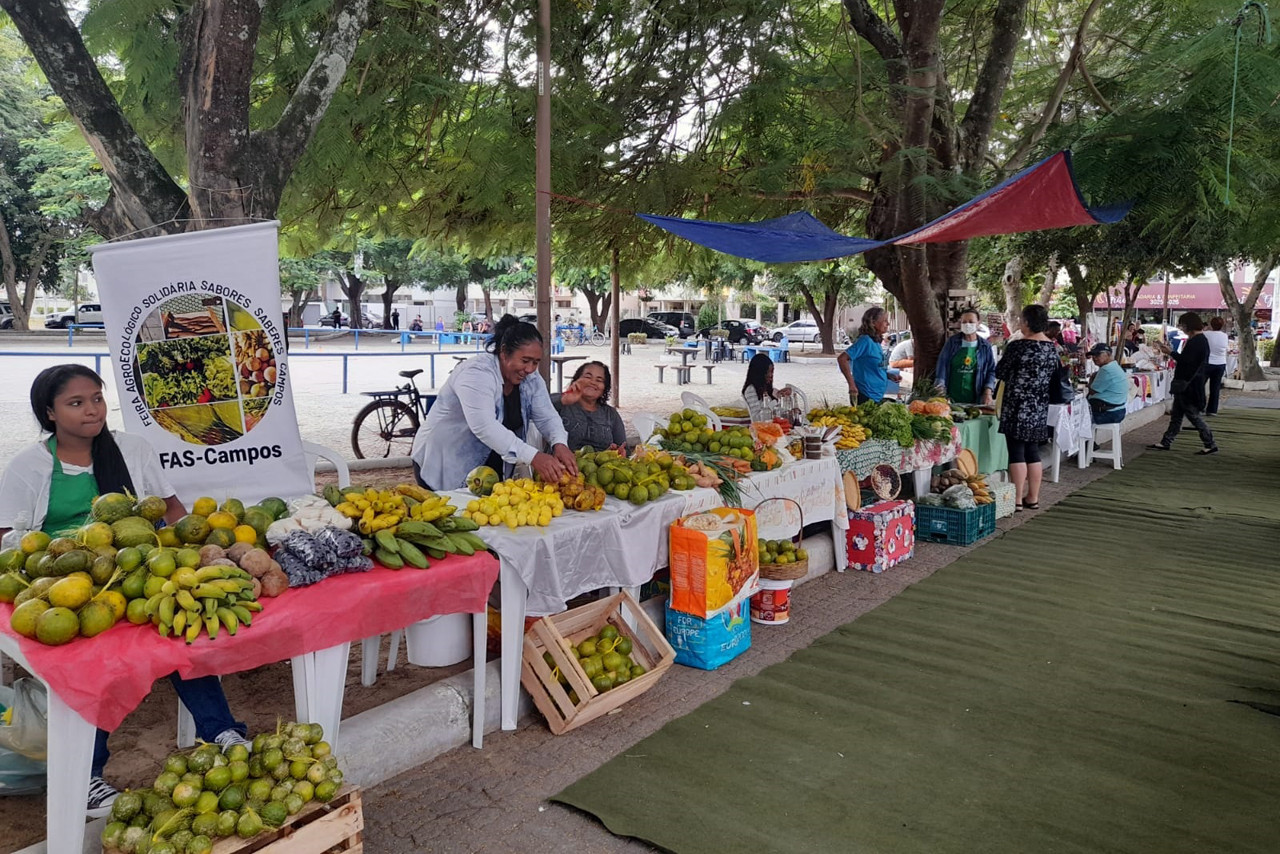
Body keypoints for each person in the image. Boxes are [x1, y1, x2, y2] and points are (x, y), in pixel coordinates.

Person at [0, 365, 249, 816]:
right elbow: (7, 537)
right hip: (65, 587)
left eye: (96, 398)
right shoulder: (29, 466)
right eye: (76, 403)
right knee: (92, 665)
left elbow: (170, 508)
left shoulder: (132, 449)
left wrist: (202, 548)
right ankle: (86, 776)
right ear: (49, 413)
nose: (92, 409)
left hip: (136, 572)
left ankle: (222, 730)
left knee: (177, 634)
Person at [410, 315, 578, 490]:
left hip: (489, 471)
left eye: (536, 362)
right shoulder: (476, 374)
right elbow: (485, 426)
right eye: (525, 361)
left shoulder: (531, 378)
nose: (530, 369)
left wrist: (559, 443)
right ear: (504, 353)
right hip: (444, 464)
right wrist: (534, 457)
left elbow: (547, 416)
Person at [994, 304, 1059, 511]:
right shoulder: (1052, 348)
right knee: (1033, 452)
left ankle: (1017, 499)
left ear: (1028, 323)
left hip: (1016, 405)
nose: (1020, 323)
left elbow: (1000, 371)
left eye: (1022, 320)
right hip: (1039, 406)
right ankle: (1033, 497)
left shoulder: (1018, 346)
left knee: (1016, 452)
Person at [1149, 312, 1217, 454]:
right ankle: (1166, 441)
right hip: (1188, 384)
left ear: (1189, 325)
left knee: (1193, 416)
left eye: (1183, 325)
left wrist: (1171, 353)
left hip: (1188, 385)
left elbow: (1187, 362)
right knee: (1177, 416)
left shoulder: (1197, 341)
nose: (1181, 328)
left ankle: (1210, 443)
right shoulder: (1198, 340)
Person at [553, 361, 627, 452]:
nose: (592, 382)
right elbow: (536, 407)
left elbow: (624, 447)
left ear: (604, 388)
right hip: (559, 464)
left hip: (600, 465)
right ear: (576, 380)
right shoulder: (562, 403)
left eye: (599, 380)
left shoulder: (610, 414)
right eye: (588, 377)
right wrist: (563, 399)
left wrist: (618, 452)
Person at [934, 307, 996, 406]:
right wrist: (940, 389)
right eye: (964, 322)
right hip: (952, 397)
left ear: (978, 323)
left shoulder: (985, 346)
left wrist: (988, 391)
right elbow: (942, 365)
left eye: (971, 322)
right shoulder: (952, 342)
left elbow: (991, 370)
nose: (967, 325)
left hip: (976, 398)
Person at [838, 307, 899, 404]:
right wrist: (851, 385)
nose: (888, 324)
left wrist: (888, 375)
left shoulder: (875, 341)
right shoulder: (865, 341)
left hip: (876, 395)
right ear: (873, 322)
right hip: (865, 395)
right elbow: (842, 359)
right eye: (884, 321)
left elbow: (871, 366)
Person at [741, 353, 795, 422]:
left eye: (772, 372)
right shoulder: (751, 390)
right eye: (769, 372)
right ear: (760, 373)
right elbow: (755, 418)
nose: (771, 375)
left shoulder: (766, 388)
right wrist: (775, 401)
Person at [1085, 344, 1128, 425]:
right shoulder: (1114, 366)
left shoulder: (1106, 369)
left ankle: (1084, 437)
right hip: (1118, 410)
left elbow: (1092, 391)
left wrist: (1091, 378)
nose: (1094, 358)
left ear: (1108, 354)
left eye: (1098, 354)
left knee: (1075, 417)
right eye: (1093, 355)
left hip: (1107, 413)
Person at [1202, 316, 1229, 415]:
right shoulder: (1224, 336)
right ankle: (1212, 410)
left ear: (1210, 324)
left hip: (1207, 363)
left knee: (1200, 385)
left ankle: (1201, 406)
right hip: (1220, 363)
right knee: (1215, 388)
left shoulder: (1206, 334)